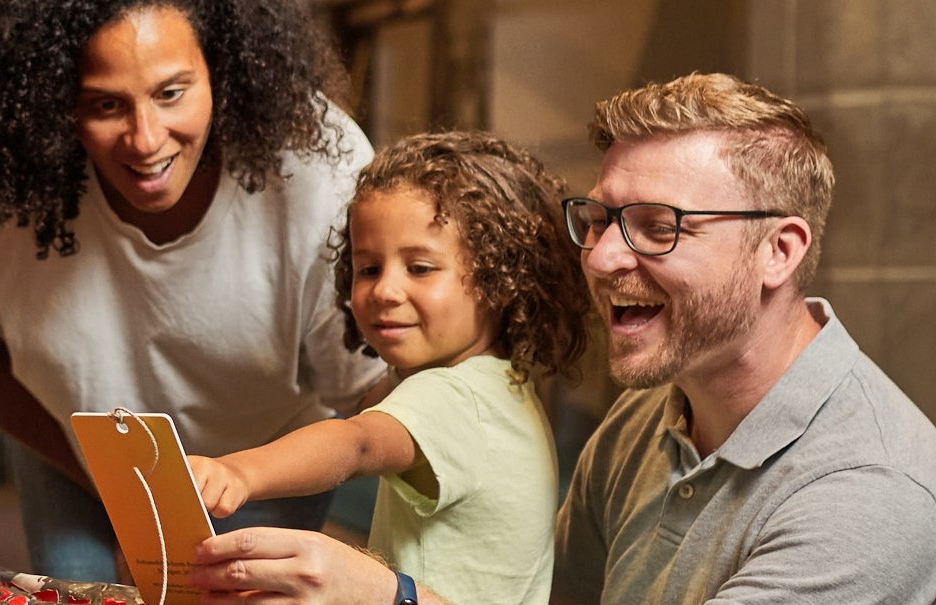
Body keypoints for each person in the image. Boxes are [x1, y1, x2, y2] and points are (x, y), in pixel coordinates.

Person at [184, 72, 936, 605]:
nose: (603, 257)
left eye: (657, 225)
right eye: (602, 218)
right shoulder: (646, 423)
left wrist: (392, 597)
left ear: (780, 249)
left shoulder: (869, 495)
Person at [0, 0, 386, 584]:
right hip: (80, 452)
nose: (145, 140)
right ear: (50, 97)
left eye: (171, 93)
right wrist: (111, 486)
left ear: (222, 71)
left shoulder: (320, 170)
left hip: (265, 456)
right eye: (105, 104)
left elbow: (371, 401)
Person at [187, 130, 591, 605]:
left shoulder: (453, 396)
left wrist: (239, 471)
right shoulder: (501, 387)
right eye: (369, 268)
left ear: (498, 280)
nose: (384, 290)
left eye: (419, 268)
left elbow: (357, 442)